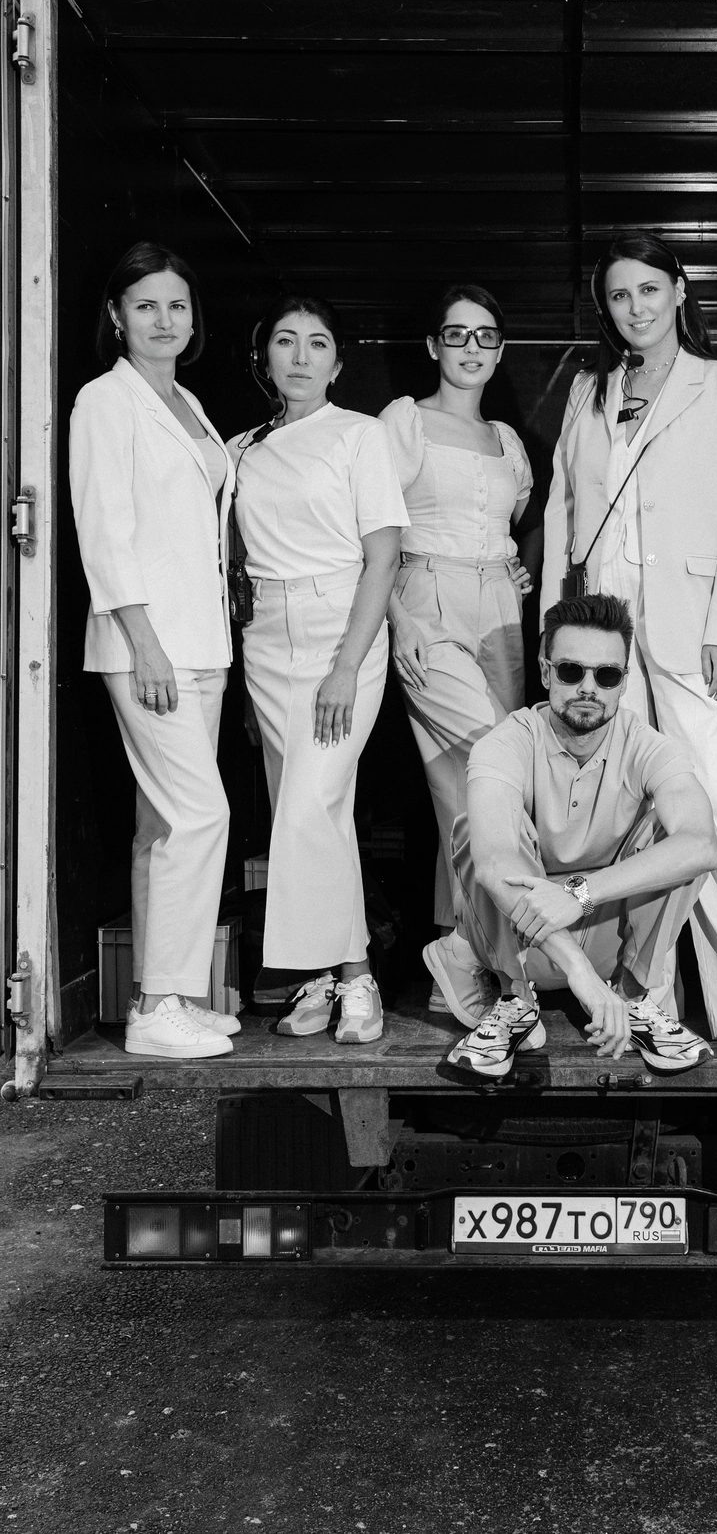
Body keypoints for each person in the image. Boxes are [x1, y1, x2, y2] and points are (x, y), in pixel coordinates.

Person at [541, 232, 717, 1078]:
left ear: (680, 291)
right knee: (626, 813)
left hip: (691, 627)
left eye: (650, 289)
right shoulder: (589, 390)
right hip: (603, 632)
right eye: (619, 296)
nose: (636, 308)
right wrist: (556, 633)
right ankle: (650, 998)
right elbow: (563, 512)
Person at [432, 594, 717, 1079]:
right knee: (477, 830)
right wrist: (580, 972)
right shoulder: (506, 743)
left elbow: (703, 844)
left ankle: (632, 999)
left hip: (604, 934)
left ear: (623, 682)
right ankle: (514, 999)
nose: (588, 687)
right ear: (546, 673)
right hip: (520, 941)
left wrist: (578, 894)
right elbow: (494, 862)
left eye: (606, 675)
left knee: (675, 841)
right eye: (571, 671)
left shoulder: (647, 745)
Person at [69, 241, 237, 1060]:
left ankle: (165, 995)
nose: (164, 320)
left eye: (177, 305)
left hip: (202, 640)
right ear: (116, 316)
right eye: (145, 306)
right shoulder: (105, 401)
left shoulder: (186, 401)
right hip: (149, 643)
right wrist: (146, 644)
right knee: (202, 813)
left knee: (161, 824)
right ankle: (159, 1007)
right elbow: (104, 531)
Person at [229, 296, 408, 1045]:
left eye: (317, 343)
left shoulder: (361, 435)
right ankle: (324, 979)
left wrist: (346, 668)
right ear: (264, 356)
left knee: (311, 804)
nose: (300, 357)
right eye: (285, 341)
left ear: (337, 363)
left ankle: (357, 975)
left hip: (342, 629)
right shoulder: (239, 448)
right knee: (305, 813)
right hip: (265, 638)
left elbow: (384, 556)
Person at [380, 284, 539, 1011]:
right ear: (433, 345)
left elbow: (509, 524)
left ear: (500, 350)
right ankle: (488, 961)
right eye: (457, 334)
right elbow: (369, 526)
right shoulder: (404, 420)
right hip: (426, 598)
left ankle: (463, 956)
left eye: (486, 336)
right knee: (481, 767)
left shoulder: (508, 439)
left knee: (481, 784)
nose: (471, 348)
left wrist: (516, 569)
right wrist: (397, 619)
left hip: (500, 611)